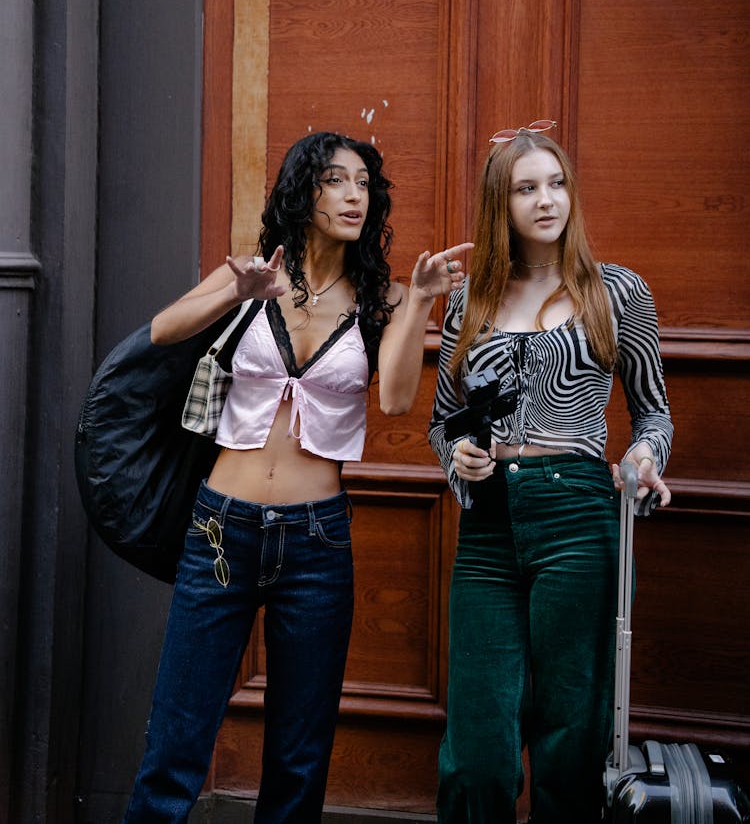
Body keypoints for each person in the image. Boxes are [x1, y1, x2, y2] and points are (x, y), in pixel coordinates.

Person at [123, 130, 471, 824]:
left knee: (299, 753)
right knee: (178, 738)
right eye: (334, 180)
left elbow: (399, 398)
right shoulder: (255, 271)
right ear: (302, 191)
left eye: (363, 184)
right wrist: (236, 295)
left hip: (316, 542)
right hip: (222, 528)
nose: (352, 196)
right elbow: (163, 331)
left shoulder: (384, 299)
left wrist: (423, 302)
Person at [428, 120, 673, 824]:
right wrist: (460, 458)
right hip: (489, 527)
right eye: (526, 187)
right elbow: (443, 422)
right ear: (498, 204)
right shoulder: (467, 298)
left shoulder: (616, 291)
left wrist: (642, 455)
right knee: (477, 749)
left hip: (580, 517)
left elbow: (654, 414)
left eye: (557, 183)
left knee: (572, 733)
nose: (546, 199)